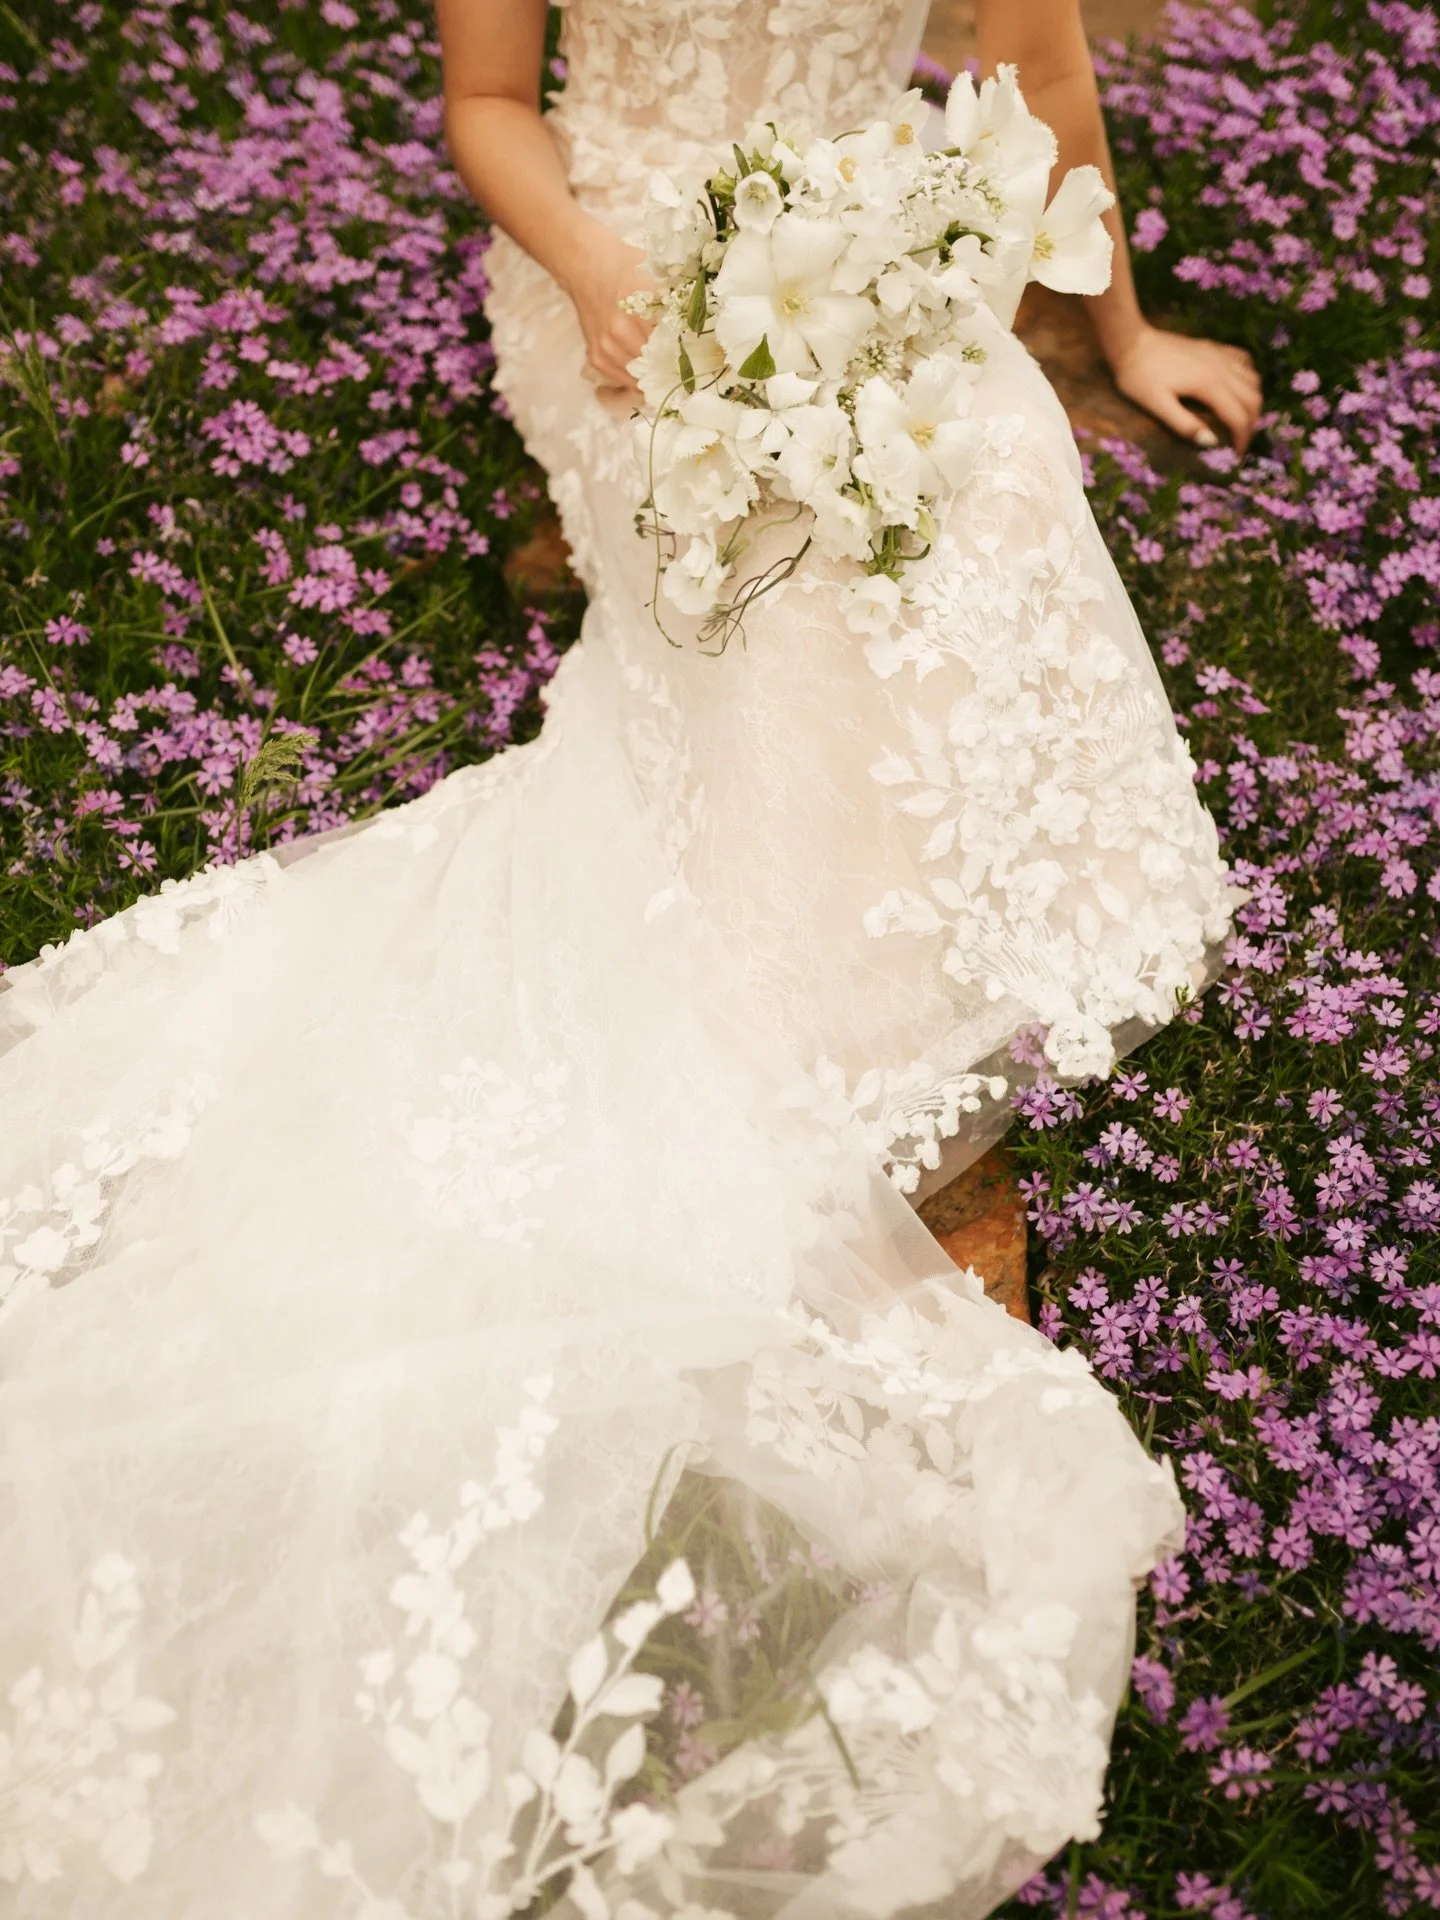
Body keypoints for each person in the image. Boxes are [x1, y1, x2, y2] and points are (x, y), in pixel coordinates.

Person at [0, 3, 1251, 1915]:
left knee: (990, 470)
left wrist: (1116, 328)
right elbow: (492, 107)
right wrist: (604, 279)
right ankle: (808, 997)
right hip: (622, 264)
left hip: (866, 252)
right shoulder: (593, 233)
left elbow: (1044, 78)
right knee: (792, 572)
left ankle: (921, 950)